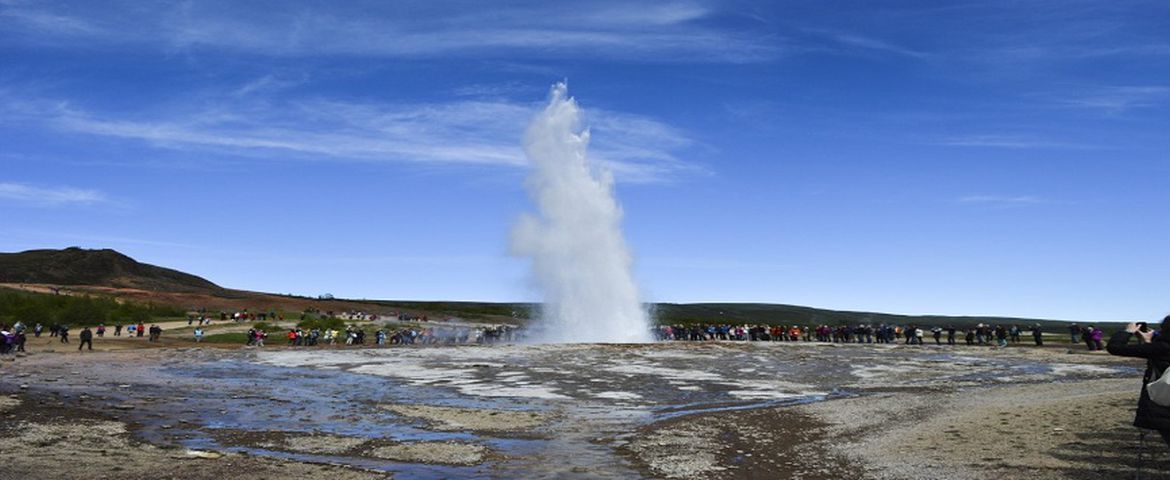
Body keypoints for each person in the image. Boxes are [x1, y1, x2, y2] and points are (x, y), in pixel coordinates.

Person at [1106, 316, 1170, 447]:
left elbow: (1115, 347)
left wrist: (1127, 332)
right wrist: (1148, 342)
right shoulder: (1160, 347)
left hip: (1163, 397)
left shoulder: (1162, 347)